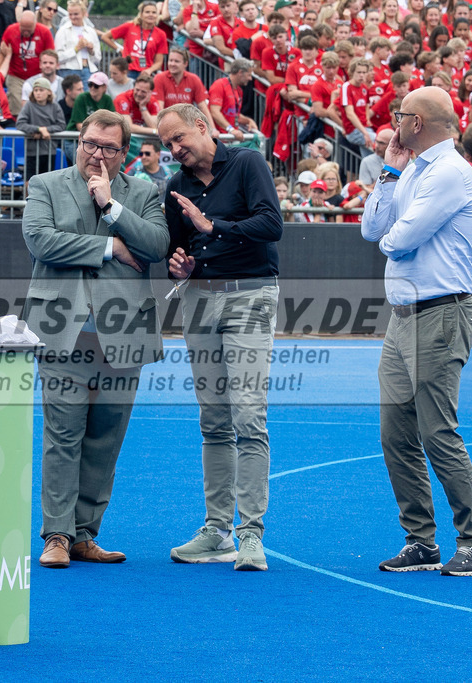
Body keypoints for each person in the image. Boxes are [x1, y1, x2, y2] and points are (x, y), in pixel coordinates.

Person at [22, 109, 169, 569]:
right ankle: (58, 535)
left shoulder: (143, 192)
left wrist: (111, 208)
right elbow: (40, 241)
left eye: (108, 147)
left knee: (106, 438)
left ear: (124, 153)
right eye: (89, 143)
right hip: (62, 335)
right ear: (77, 142)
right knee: (62, 436)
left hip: (123, 336)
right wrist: (110, 247)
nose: (96, 153)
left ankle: (85, 533)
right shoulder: (45, 185)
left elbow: (157, 247)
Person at [361, 86, 472, 577]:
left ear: (416, 123)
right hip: (403, 317)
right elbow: (372, 229)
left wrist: (396, 228)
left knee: (437, 430)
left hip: (441, 313)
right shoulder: (413, 170)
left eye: (400, 116)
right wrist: (391, 173)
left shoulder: (451, 172)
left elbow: (398, 240)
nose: (393, 124)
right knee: (395, 433)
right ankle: (421, 540)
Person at [159, 103, 282, 571]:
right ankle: (216, 530)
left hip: (251, 295)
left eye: (178, 140)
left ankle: (250, 533)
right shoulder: (176, 186)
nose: (174, 151)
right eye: (167, 145)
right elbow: (177, 248)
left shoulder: (248, 163)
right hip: (200, 299)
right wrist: (181, 263)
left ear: (202, 126)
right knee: (213, 419)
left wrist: (215, 227)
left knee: (248, 415)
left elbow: (272, 225)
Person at [0, 10, 55, 116]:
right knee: (17, 106)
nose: (26, 32)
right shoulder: (11, 30)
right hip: (16, 75)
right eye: (23, 29)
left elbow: (50, 54)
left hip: (37, 75)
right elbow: (2, 52)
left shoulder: (44, 32)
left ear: (35, 25)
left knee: (39, 103)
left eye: (29, 30)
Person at [101, 1, 167, 79]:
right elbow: (105, 37)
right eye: (147, 12)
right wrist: (119, 49)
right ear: (141, 15)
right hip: (128, 71)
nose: (151, 15)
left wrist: (150, 70)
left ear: (157, 15)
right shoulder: (129, 27)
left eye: (154, 12)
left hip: (146, 73)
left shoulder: (161, 34)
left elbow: (159, 62)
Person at [16, 76, 66, 178]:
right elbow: (20, 123)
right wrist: (38, 129)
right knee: (29, 181)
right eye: (36, 90)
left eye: (41, 90)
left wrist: (46, 130)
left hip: (49, 150)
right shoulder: (29, 105)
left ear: (49, 92)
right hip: (32, 151)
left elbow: (61, 125)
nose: (38, 93)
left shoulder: (55, 106)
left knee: (46, 180)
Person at [55, 0, 99, 88]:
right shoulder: (63, 31)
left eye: (76, 14)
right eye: (70, 14)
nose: (73, 17)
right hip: (69, 70)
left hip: (88, 70)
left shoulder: (91, 31)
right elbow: (58, 57)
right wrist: (76, 49)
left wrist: (91, 51)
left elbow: (98, 58)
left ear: (83, 13)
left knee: (87, 99)